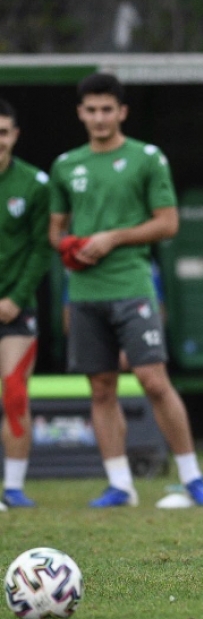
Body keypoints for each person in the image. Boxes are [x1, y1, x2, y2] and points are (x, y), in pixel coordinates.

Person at [48, 73, 203, 508]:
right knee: (101, 388)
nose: (100, 117)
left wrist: (111, 238)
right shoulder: (66, 165)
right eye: (92, 110)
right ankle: (120, 484)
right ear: (80, 113)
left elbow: (168, 223)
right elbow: (56, 231)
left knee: (153, 380)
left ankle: (192, 476)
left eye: (108, 109)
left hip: (132, 284)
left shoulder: (147, 158)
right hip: (85, 291)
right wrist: (70, 247)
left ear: (121, 112)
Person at [0, 98, 53, 510]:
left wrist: (16, 298)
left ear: (15, 135)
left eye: (3, 132)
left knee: (15, 392)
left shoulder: (35, 184)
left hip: (15, 309)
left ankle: (14, 488)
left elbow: (41, 250)